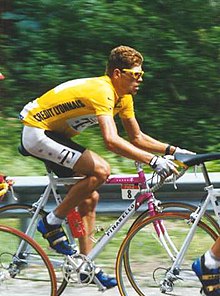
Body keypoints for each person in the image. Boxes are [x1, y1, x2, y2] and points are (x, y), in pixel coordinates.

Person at [19, 45, 192, 288]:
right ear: (117, 73)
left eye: (142, 75)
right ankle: (51, 222)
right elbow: (111, 141)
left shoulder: (125, 98)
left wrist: (173, 151)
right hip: (37, 132)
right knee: (101, 170)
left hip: (55, 136)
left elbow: (137, 138)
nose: (140, 80)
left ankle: (83, 265)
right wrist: (152, 161)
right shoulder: (103, 90)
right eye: (136, 74)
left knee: (89, 197)